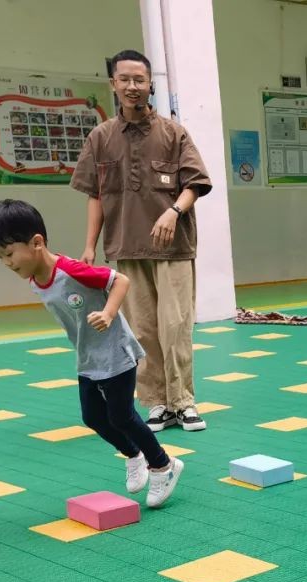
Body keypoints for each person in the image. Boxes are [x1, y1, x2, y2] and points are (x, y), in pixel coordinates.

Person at [0, 199, 184, 508]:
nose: (6, 262)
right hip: (89, 357)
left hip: (115, 352)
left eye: (8, 253)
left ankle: (164, 465)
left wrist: (109, 314)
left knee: (122, 416)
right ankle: (134, 455)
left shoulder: (70, 270)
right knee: (93, 417)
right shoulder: (35, 279)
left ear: (37, 243)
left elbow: (120, 280)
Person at [71, 49, 212, 433]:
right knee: (142, 329)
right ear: (113, 84)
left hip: (173, 248)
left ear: (150, 85)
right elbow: (95, 195)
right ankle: (157, 403)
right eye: (125, 79)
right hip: (126, 247)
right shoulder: (101, 138)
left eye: (140, 80)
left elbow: (196, 183)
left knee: (175, 325)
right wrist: (89, 246)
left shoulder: (173, 133)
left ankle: (184, 401)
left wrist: (174, 211)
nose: (133, 86)